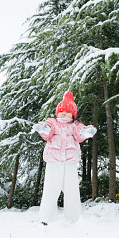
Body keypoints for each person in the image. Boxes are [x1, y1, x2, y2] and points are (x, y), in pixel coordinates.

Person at [32, 92, 97, 224]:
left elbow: (79, 134)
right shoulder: (52, 123)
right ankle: (47, 217)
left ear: (73, 114)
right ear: (57, 112)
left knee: (71, 190)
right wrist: (42, 129)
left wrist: (86, 132)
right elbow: (48, 131)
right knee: (50, 188)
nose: (64, 114)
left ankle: (73, 218)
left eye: (68, 112)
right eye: (61, 111)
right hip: (53, 160)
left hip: (70, 162)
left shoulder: (75, 125)